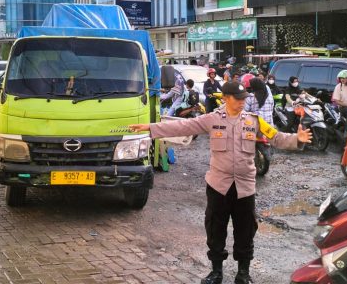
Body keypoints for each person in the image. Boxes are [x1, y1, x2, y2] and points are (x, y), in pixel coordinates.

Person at [128, 82, 312, 284]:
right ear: (226, 97)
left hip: (245, 187)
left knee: (245, 231)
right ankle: (216, 272)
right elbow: (183, 125)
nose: (243, 101)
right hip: (218, 186)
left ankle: (243, 273)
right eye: (238, 98)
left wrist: (298, 139)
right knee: (215, 230)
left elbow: (276, 137)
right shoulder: (212, 119)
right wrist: (151, 128)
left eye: (244, 98)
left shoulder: (254, 121)